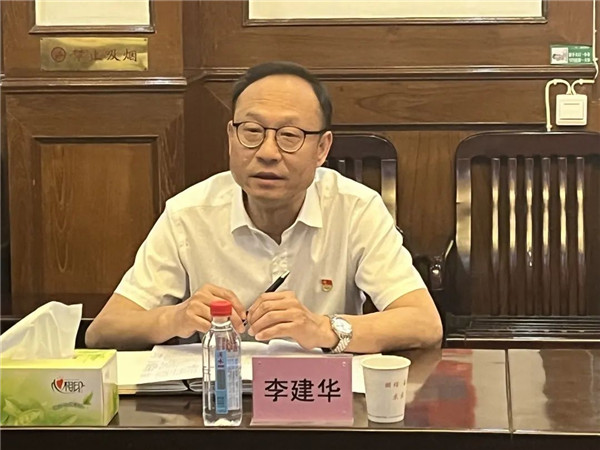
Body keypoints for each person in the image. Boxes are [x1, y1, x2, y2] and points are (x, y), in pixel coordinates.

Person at [85, 61, 443, 352]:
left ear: (322, 149)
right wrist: (175, 318)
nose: (268, 152)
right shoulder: (187, 213)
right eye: (252, 131)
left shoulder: (357, 208)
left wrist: (322, 328)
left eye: (290, 136)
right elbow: (103, 330)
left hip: (319, 401)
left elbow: (423, 323)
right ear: (231, 137)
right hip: (217, 403)